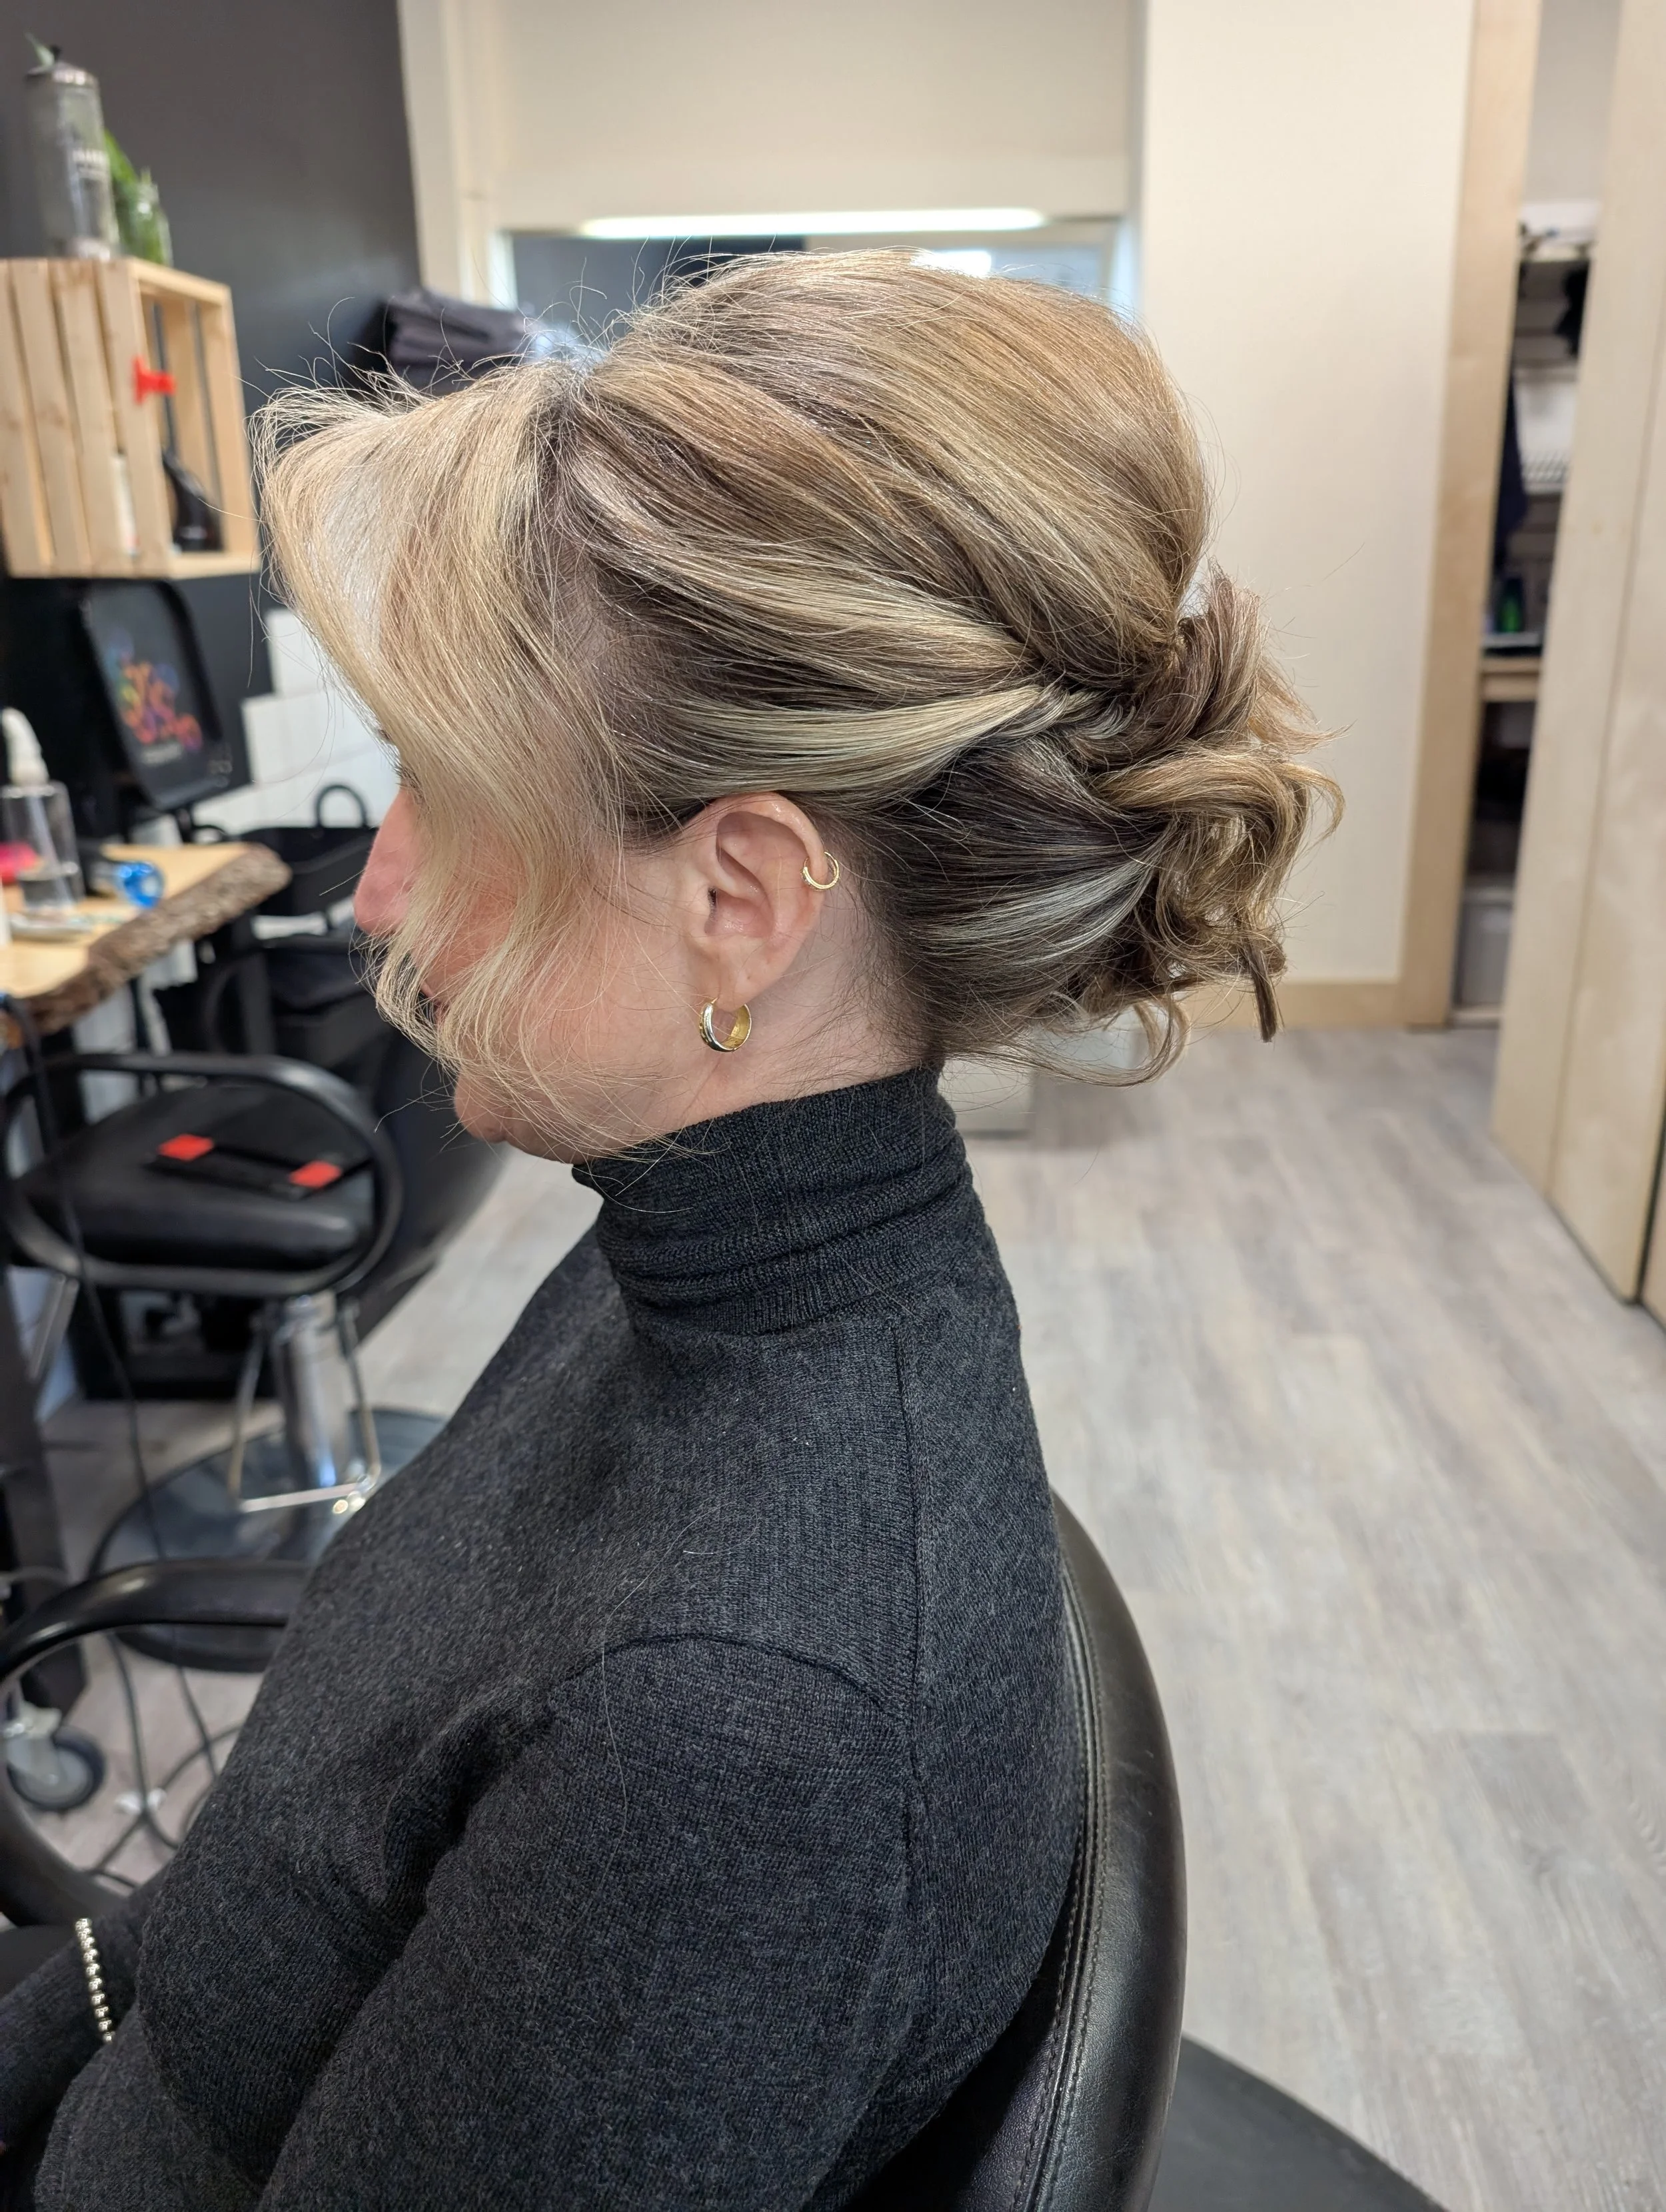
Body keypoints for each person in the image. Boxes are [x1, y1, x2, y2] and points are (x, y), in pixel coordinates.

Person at [0, 253, 1329, 2209]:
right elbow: (208, 1943)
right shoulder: (696, 1253)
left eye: (441, 795)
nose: (371, 894)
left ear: (745, 898)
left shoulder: (728, 1745)